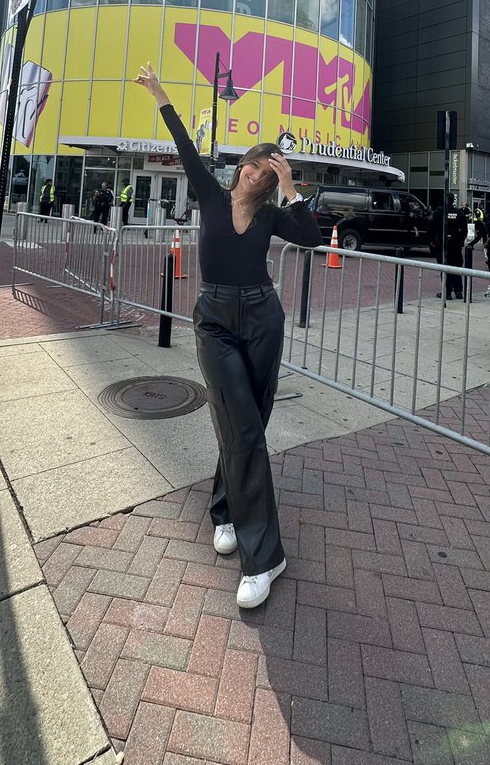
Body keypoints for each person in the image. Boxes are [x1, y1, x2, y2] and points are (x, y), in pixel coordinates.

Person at [135, 61, 322, 609]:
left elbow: (309, 237)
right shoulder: (211, 195)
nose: (255, 173)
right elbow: (183, 141)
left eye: (267, 172)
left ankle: (224, 509)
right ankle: (264, 556)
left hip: (263, 319)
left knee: (248, 423)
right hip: (214, 320)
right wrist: (159, 89)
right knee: (239, 422)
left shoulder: (271, 215)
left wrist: (291, 186)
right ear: (242, 165)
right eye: (255, 164)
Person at [430, 194, 467, 299]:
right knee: (456, 268)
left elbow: (430, 229)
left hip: (443, 245)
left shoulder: (438, 213)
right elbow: (464, 230)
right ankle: (459, 291)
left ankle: (447, 292)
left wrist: (433, 242)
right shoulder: (459, 213)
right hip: (456, 246)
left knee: (445, 268)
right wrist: (460, 241)